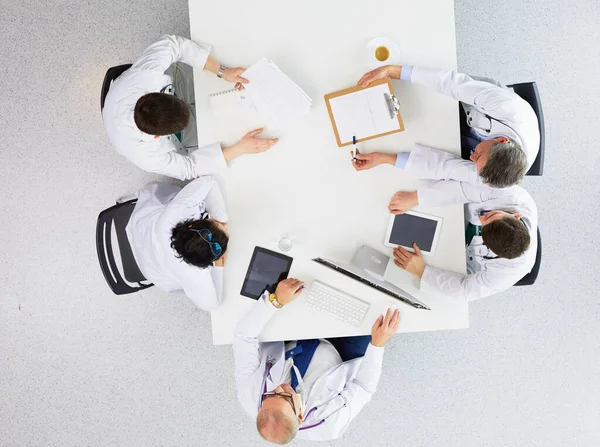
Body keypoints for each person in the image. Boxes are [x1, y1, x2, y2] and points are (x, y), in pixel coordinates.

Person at [234, 278, 401, 443]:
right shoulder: (330, 423)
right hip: (340, 350)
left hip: (292, 335)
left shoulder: (249, 395)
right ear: (300, 415)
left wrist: (275, 301)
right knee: (373, 305)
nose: (278, 388)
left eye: (270, 394)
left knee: (308, 281)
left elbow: (244, 337)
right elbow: (364, 387)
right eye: (284, 396)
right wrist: (378, 345)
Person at [103, 35, 278, 180]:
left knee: (213, 81)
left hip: (161, 89)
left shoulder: (146, 78)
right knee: (227, 134)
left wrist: (222, 71)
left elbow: (174, 45)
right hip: (156, 134)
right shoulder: (144, 154)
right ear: (158, 136)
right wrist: (240, 149)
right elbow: (189, 168)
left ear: (156, 93)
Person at [356, 65, 540, 188]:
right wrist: (392, 71)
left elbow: (446, 167)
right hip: (477, 104)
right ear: (502, 140)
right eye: (479, 155)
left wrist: (383, 159)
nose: (472, 157)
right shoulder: (508, 108)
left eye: (475, 162)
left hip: (476, 132)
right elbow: (452, 85)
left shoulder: (491, 174)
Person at [387, 182, 538, 300]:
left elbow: (465, 290)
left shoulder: (508, 273)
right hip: (453, 209)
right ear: (516, 216)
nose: (481, 219)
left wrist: (421, 271)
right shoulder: (512, 196)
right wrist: (417, 197)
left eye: (483, 227)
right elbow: (464, 187)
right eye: (490, 216)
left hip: (461, 259)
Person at [125, 176, 229, 310]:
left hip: (143, 228)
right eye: (220, 224)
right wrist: (219, 267)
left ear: (191, 225)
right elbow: (213, 304)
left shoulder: (177, 212)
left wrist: (222, 219)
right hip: (151, 262)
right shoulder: (193, 275)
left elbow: (209, 182)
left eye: (218, 223)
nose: (224, 226)